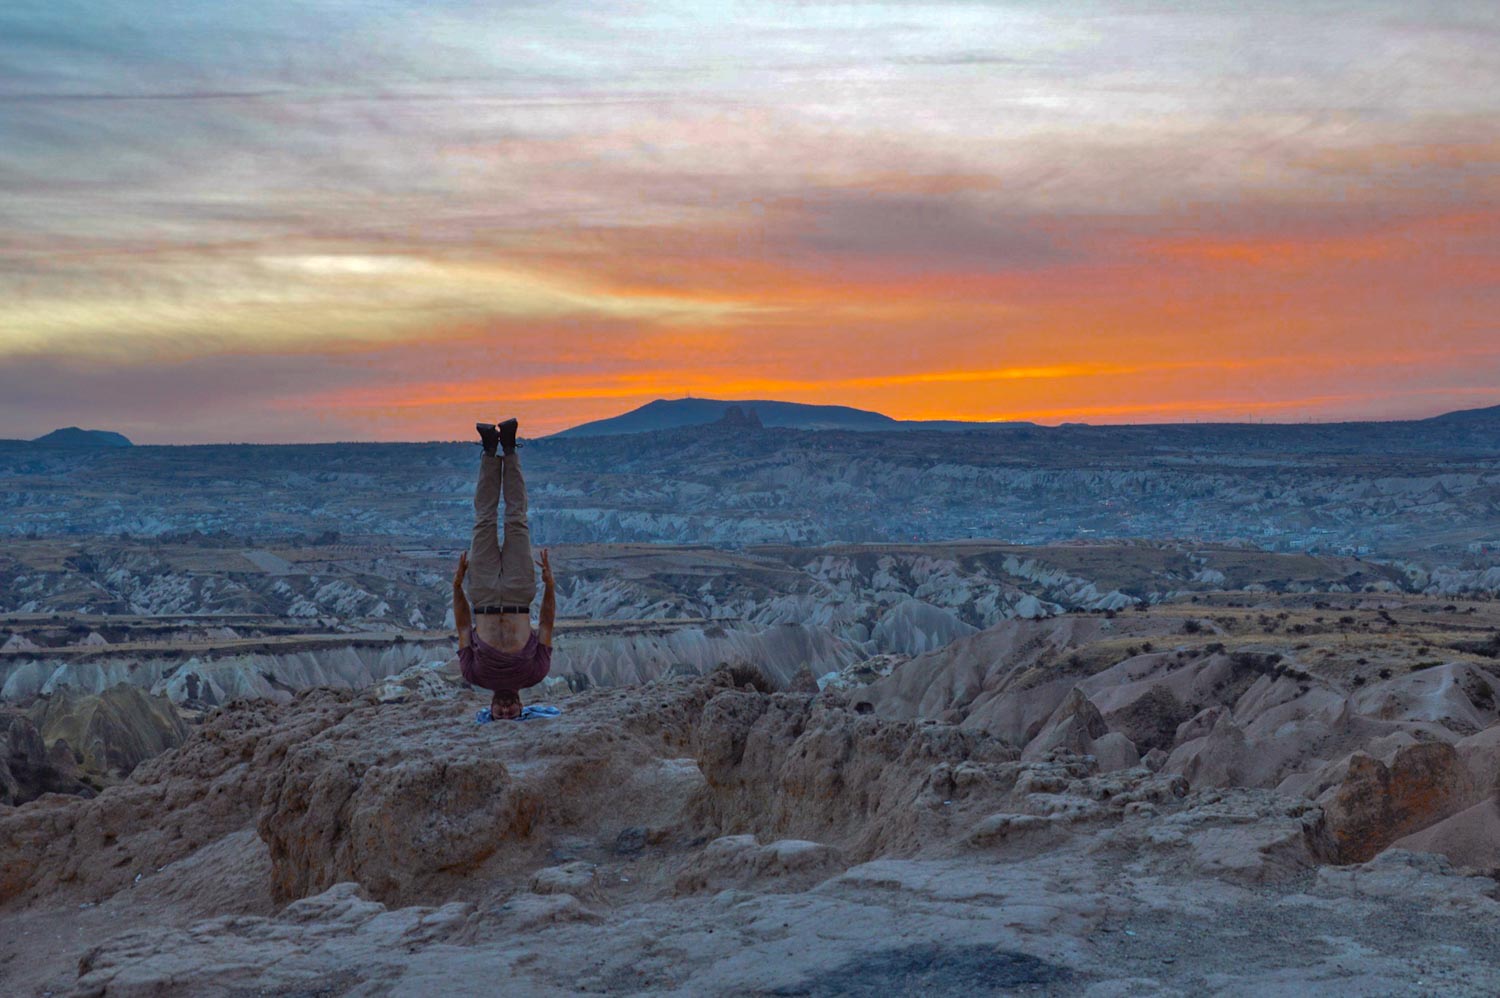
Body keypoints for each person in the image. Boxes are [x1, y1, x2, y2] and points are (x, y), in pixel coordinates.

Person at [452, 417, 555, 719]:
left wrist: (457, 587)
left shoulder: (474, 675)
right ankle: (509, 448)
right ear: (523, 707)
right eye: (512, 709)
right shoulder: (536, 673)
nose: (507, 706)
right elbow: (547, 624)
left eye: (501, 710)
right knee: (516, 519)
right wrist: (550, 586)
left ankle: (488, 451)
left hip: (482, 595)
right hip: (520, 594)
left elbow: (461, 627)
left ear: (490, 709)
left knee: (484, 521)